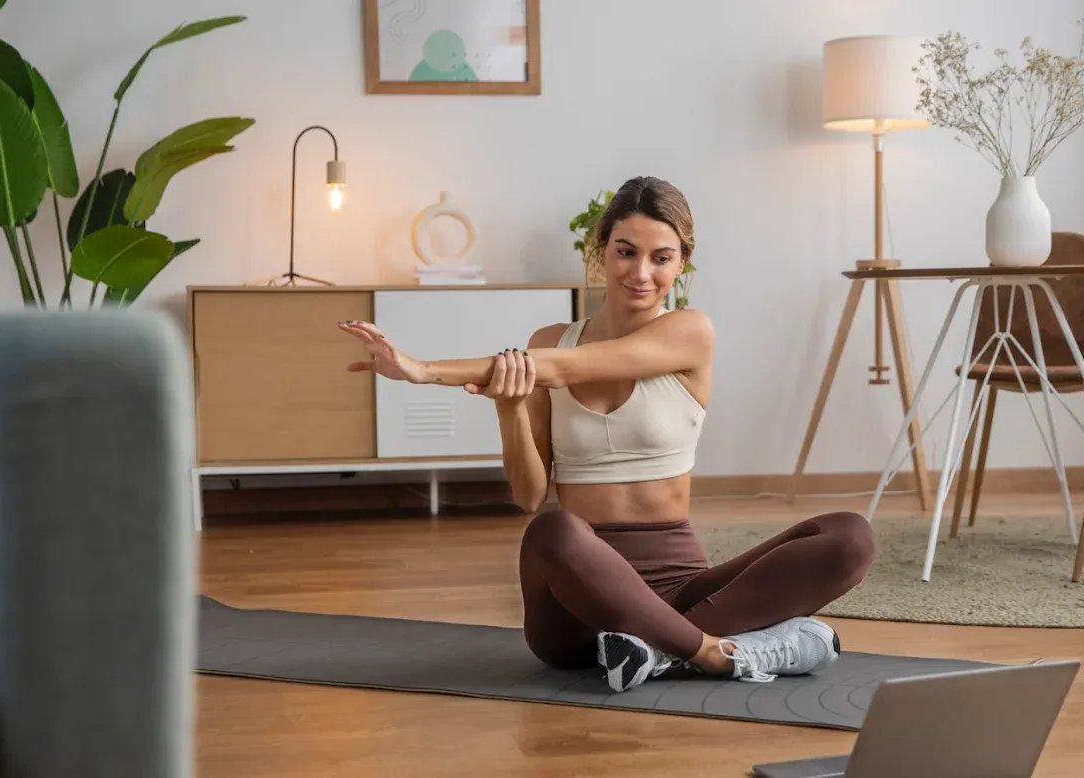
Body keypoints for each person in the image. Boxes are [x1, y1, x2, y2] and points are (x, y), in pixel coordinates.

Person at [339, 176, 876, 693]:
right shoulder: (550, 342)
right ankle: (714, 652)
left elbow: (569, 369)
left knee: (850, 536)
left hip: (681, 586)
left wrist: (424, 369)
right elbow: (528, 495)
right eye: (626, 252)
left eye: (661, 258)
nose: (641, 273)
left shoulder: (689, 333)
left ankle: (659, 649)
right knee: (553, 531)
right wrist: (508, 411)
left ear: (681, 262)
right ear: (602, 251)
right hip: (577, 607)